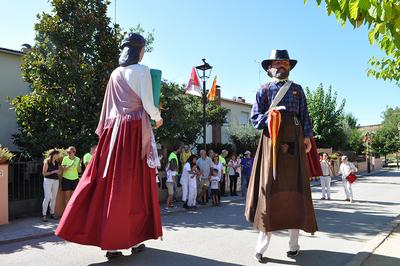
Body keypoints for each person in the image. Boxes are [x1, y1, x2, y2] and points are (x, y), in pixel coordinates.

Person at [55, 33, 164, 259]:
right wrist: (158, 116)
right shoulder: (142, 71)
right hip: (133, 132)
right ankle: (134, 238)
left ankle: (112, 244)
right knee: (135, 187)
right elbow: (147, 103)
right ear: (139, 50)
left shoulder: (115, 73)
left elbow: (108, 109)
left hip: (112, 135)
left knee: (110, 185)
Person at [245, 49, 317, 262]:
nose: (281, 66)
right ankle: (261, 247)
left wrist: (306, 137)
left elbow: (305, 115)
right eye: (277, 63)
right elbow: (255, 118)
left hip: (295, 142)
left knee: (295, 192)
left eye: (284, 62)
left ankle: (294, 245)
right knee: (269, 191)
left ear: (289, 66)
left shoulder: (297, 90)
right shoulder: (264, 90)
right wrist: (269, 119)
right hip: (271, 144)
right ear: (269, 68)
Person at [42, 149, 61, 222]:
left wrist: (59, 171)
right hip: (48, 180)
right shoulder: (47, 162)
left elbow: (59, 173)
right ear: (53, 155)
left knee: (54, 198)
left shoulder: (57, 162)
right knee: (47, 197)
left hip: (56, 181)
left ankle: (52, 213)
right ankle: (44, 215)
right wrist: (53, 171)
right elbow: (44, 173)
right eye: (57, 154)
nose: (58, 156)